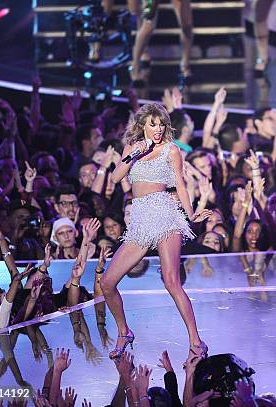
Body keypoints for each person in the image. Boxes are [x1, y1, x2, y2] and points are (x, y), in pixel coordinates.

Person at [99, 103, 211, 360]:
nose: (158, 129)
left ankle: (196, 340)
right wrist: (133, 154)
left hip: (165, 215)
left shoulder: (171, 150)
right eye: (153, 124)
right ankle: (124, 331)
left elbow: (181, 186)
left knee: (171, 281)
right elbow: (116, 179)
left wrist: (191, 214)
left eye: (161, 124)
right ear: (142, 126)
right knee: (107, 283)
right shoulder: (131, 149)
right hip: (139, 219)